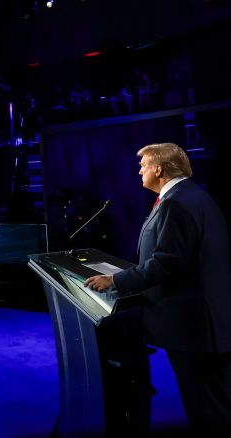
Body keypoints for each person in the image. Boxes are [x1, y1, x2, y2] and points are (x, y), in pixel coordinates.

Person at [85, 143, 231, 434]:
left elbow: (167, 262)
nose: (140, 171)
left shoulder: (176, 203)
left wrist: (115, 281)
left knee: (204, 406)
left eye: (143, 166)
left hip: (193, 326)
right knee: (218, 402)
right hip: (209, 321)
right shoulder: (193, 196)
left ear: (159, 169)